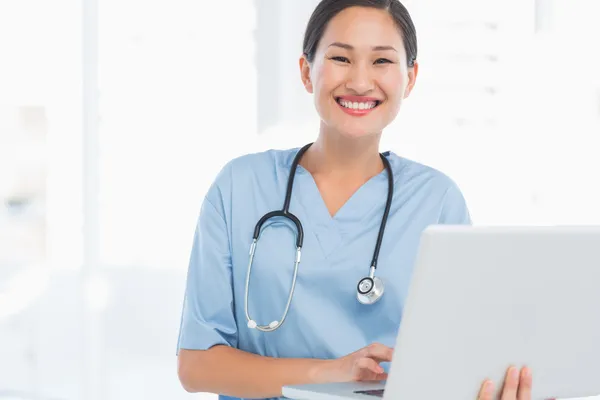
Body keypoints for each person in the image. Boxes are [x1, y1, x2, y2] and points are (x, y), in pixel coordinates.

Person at [176, 1, 534, 399]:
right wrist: (332, 372)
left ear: (410, 78)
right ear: (306, 71)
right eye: (341, 57)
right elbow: (197, 365)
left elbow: (459, 356)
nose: (361, 82)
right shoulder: (239, 186)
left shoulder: (436, 200)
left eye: (382, 61)